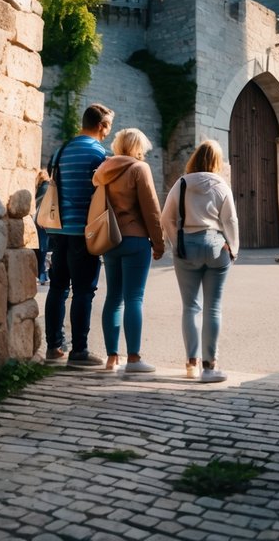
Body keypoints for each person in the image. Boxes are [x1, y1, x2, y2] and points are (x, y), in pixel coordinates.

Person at [162, 140, 239, 383]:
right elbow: (231, 220)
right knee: (213, 307)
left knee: (190, 306)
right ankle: (210, 366)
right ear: (217, 162)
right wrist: (233, 248)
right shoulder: (221, 185)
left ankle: (191, 363)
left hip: (187, 245)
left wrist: (176, 242)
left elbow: (167, 218)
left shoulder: (182, 183)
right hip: (216, 244)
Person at [43, 103, 114, 370]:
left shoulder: (61, 150)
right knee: (84, 290)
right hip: (84, 232)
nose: (107, 133)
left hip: (58, 229)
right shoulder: (98, 153)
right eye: (108, 127)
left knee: (58, 288)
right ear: (101, 126)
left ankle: (54, 347)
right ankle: (79, 351)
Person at [92, 128, 165, 376]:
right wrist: (159, 242)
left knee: (113, 297)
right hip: (134, 239)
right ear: (138, 147)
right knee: (134, 298)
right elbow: (151, 209)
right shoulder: (138, 168)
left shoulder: (104, 170)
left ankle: (112, 357)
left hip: (110, 238)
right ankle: (133, 358)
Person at [33, 169, 51, 285]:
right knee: (43, 249)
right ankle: (42, 275)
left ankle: (40, 274)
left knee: (39, 249)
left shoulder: (37, 188)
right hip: (45, 221)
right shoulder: (48, 187)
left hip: (36, 220)